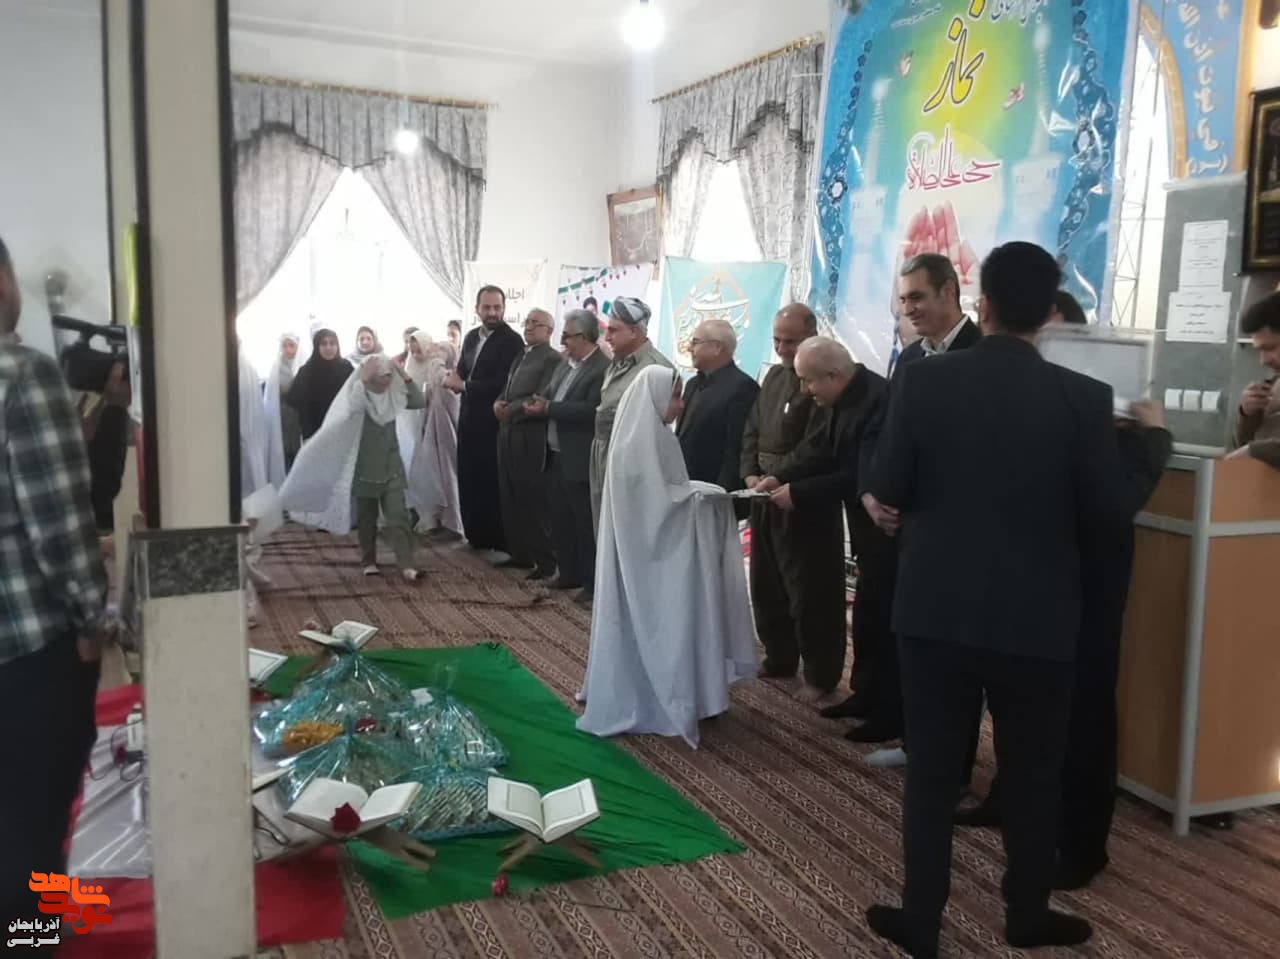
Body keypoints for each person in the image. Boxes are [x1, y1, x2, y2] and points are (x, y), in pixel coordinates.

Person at [864, 242, 1170, 958]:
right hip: (1039, 619)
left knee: (933, 773)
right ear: (1047, 317)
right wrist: (1152, 442)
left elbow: (892, 485)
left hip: (935, 610)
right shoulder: (1083, 398)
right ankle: (1027, 914)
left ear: (984, 303)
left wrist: (887, 502)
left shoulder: (924, 381)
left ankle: (922, 919)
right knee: (1034, 773)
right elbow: (1109, 513)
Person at [956, 292, 1172, 894]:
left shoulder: (1116, 408)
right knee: (1014, 699)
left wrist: (1153, 436)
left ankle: (1082, 846)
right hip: (1022, 576)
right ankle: (1008, 797)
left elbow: (1119, 503)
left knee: (1085, 712)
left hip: (1088, 583)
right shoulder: (1023, 399)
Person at [0, 234, 108, 927]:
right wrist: (93, 621)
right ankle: (31, 937)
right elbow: (60, 529)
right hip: (28, 650)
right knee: (34, 813)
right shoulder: (24, 376)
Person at [841, 254, 982, 767]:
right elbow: (877, 435)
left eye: (918, 297)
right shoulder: (912, 357)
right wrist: (869, 494)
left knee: (956, 659)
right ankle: (913, 739)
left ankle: (951, 763)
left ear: (950, 292)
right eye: (903, 300)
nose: (909, 309)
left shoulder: (981, 355)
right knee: (911, 645)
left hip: (957, 536)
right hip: (900, 530)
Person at [576, 366, 757, 746]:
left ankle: (693, 692)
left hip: (664, 556)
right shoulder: (632, 447)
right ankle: (653, 695)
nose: (681, 404)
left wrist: (699, 496)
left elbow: (671, 492)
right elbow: (654, 509)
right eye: (675, 396)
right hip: (645, 563)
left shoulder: (659, 437)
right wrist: (699, 499)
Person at [761, 337, 892, 740]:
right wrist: (780, 476)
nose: (804, 391)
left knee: (883, 620)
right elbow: (820, 451)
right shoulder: (838, 399)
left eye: (809, 381)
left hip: (886, 530)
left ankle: (885, 711)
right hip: (863, 527)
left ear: (834, 376)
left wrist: (798, 493)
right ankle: (863, 694)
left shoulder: (878, 401)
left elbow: (858, 474)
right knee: (867, 616)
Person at [741, 304, 845, 701]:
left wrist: (780, 476)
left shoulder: (822, 378)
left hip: (801, 498)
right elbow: (752, 428)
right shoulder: (773, 376)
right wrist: (750, 473)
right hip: (763, 494)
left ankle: (820, 675)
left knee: (810, 591)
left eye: (791, 341)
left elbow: (816, 445)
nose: (783, 348)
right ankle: (779, 656)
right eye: (777, 340)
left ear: (811, 337)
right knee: (766, 582)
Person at [280, 355, 424, 578]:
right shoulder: (360, 394)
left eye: (388, 375)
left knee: (398, 517)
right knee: (367, 518)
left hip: (392, 467)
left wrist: (403, 374)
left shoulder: (394, 395)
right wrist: (363, 380)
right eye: (381, 375)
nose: (386, 380)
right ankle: (369, 560)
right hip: (365, 468)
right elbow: (353, 407)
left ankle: (406, 564)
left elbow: (418, 401)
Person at [523, 310, 609, 605]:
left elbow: (591, 411)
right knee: (559, 520)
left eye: (567, 336)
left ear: (584, 337)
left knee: (583, 523)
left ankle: (591, 583)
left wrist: (549, 409)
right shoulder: (565, 365)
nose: (563, 342)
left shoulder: (601, 368)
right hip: (555, 454)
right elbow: (548, 394)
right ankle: (568, 573)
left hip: (579, 457)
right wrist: (537, 402)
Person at [446, 286, 524, 553]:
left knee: (490, 480)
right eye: (487, 307)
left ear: (504, 309)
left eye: (497, 308)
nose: (492, 313)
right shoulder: (470, 337)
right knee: (468, 476)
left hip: (493, 422)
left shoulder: (512, 341)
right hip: (468, 418)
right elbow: (462, 370)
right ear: (477, 309)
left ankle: (495, 539)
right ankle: (475, 535)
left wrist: (465, 386)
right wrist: (453, 379)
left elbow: (503, 381)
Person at [589, 297, 674, 536]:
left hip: (633, 463)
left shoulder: (657, 369)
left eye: (614, 330)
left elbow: (659, 425)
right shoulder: (616, 364)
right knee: (603, 532)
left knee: (627, 532)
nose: (607, 337)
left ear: (635, 331)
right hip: (603, 453)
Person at [495, 309, 561, 578]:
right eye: (528, 322)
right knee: (509, 493)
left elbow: (542, 395)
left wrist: (511, 410)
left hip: (529, 434)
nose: (529, 327)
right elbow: (507, 388)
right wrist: (498, 403)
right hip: (507, 431)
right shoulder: (522, 354)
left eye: (536, 324)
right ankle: (520, 553)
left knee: (531, 496)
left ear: (549, 331)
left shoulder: (552, 358)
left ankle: (545, 561)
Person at [676, 318, 759, 489]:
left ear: (717, 348)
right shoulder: (692, 384)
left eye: (695, 342)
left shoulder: (742, 388)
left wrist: (722, 494)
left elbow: (735, 450)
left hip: (714, 488)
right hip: (684, 483)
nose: (690, 348)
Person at [408, 339, 463, 538]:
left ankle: (453, 524)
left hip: (446, 442)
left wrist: (436, 359)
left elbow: (445, 390)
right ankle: (436, 521)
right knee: (434, 478)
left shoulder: (451, 380)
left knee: (448, 479)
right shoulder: (436, 379)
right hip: (432, 438)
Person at [1229, 292, 1280, 467]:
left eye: (1271, 347)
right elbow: (1241, 446)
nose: (1264, 360)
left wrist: (1255, 451)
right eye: (1260, 350)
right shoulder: (1272, 385)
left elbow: (1250, 451)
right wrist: (1248, 415)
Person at [286, 329, 354, 440]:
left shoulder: (346, 368)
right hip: (315, 430)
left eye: (332, 343)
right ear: (317, 347)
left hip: (342, 427)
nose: (328, 347)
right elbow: (293, 399)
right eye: (323, 343)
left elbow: (355, 395)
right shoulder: (306, 371)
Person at [265, 333, 303, 485]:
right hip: (283, 414)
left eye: (291, 345)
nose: (288, 349)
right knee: (285, 451)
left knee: (299, 452)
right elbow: (272, 393)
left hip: (299, 416)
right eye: (285, 346)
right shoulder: (276, 367)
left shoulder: (303, 364)